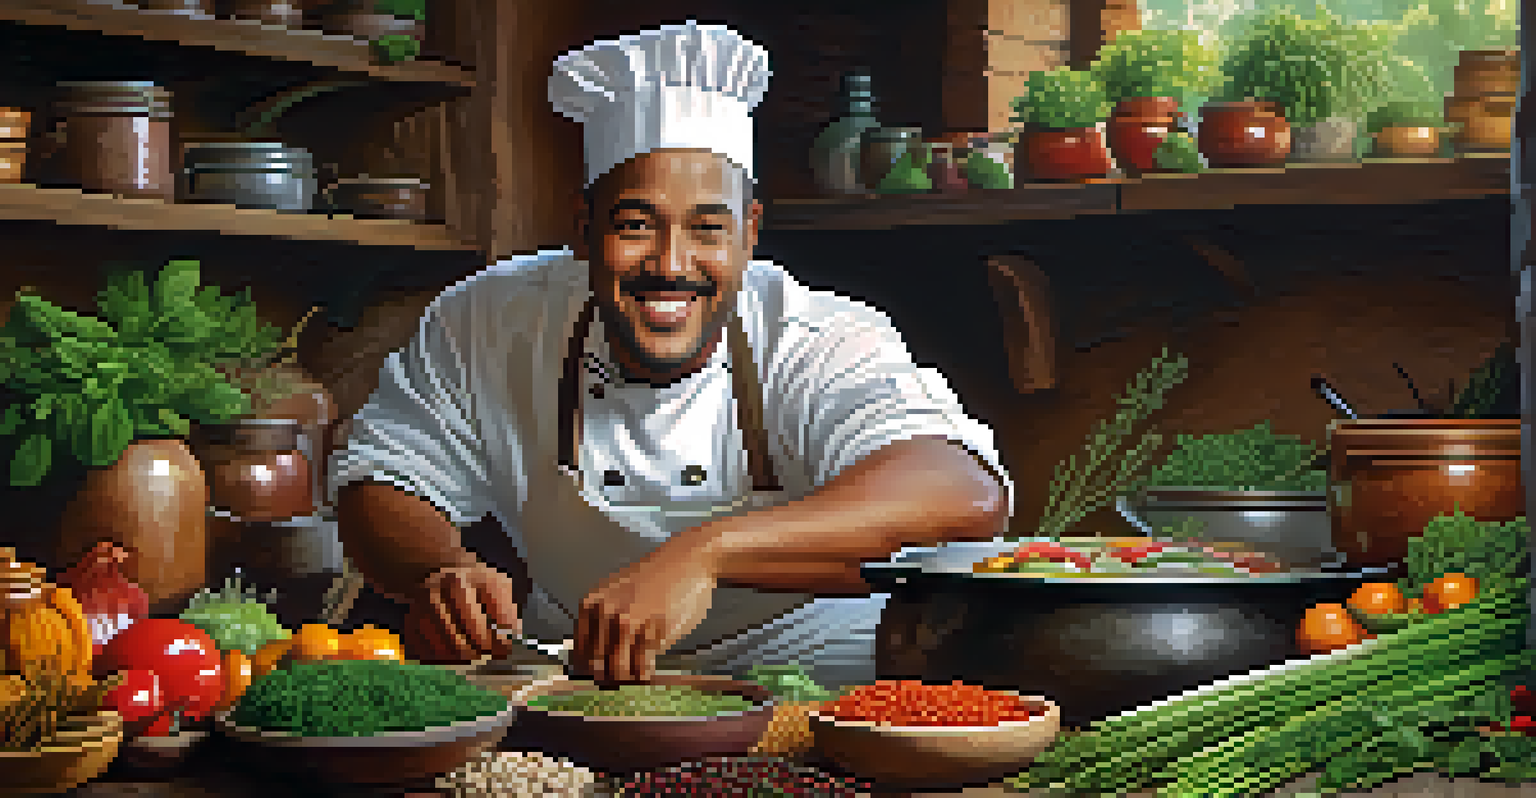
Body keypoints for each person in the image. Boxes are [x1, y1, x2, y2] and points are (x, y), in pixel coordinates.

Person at [328, 21, 1014, 689]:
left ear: (750, 235)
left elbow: (961, 493)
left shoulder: (816, 335)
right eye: (635, 226)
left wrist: (706, 554)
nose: (670, 264)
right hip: (577, 671)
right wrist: (437, 571)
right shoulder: (490, 319)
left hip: (817, 669)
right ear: (583, 228)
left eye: (707, 229)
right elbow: (384, 477)